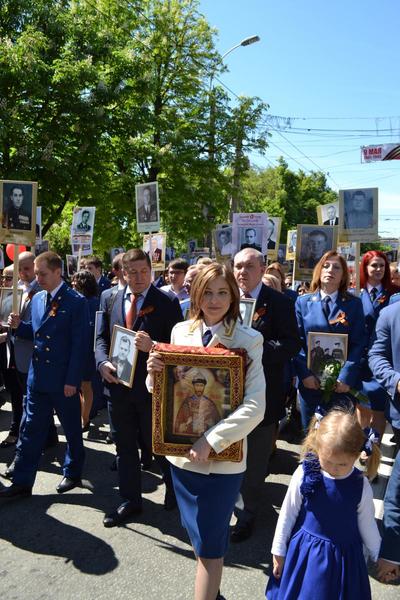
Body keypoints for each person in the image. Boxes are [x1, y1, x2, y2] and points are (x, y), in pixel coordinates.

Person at [147, 262, 266, 600]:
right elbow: (163, 393)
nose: (214, 300)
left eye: (222, 292)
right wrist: (154, 372)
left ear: (233, 296)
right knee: (199, 541)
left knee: (212, 549)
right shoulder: (179, 331)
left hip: (222, 465)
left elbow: (256, 406)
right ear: (195, 293)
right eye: (207, 292)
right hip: (182, 462)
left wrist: (211, 440)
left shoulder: (249, 340)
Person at [95, 249, 183, 527]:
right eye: (131, 272)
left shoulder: (167, 301)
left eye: (143, 271)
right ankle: (130, 500)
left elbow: (180, 347)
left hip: (151, 390)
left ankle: (173, 489)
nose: (138, 277)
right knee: (124, 448)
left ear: (151, 271)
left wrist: (154, 345)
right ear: (122, 272)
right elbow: (99, 338)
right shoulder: (109, 298)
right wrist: (101, 363)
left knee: (159, 445)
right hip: (117, 388)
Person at [0, 251, 89, 499]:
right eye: (36, 273)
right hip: (37, 378)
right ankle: (22, 482)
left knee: (71, 430)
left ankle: (72, 472)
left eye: (42, 273)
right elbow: (38, 333)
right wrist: (19, 326)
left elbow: (79, 345)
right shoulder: (38, 298)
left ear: (58, 272)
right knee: (30, 431)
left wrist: (73, 381)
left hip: (63, 381)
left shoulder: (76, 301)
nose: (38, 278)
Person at [266, 408, 381, 599]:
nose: (334, 469)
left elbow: (367, 524)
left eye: (342, 464)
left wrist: (379, 556)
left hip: (345, 560)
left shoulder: (360, 484)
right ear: (318, 449)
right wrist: (278, 550)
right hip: (306, 555)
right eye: (328, 461)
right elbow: (288, 513)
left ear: (356, 456)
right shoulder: (305, 473)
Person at [231, 248, 301, 542]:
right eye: (237, 266)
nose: (242, 272)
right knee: (230, 455)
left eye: (248, 266)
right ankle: (231, 505)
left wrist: (255, 353)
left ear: (262, 269)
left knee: (256, 460)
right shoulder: (225, 297)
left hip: (262, 394)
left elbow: (290, 344)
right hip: (227, 394)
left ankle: (248, 515)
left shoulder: (279, 303)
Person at [294, 251, 366, 430]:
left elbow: (358, 343)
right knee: (311, 436)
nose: (330, 270)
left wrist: (345, 376)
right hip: (311, 383)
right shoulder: (303, 303)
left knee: (337, 438)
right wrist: (305, 374)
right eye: (326, 266)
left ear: (343, 276)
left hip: (340, 387)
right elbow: (297, 341)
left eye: (336, 267)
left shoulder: (353, 304)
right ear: (318, 271)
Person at [369, 301, 400, 582]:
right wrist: (396, 381)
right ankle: (391, 556)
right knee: (397, 492)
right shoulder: (391, 314)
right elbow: (376, 356)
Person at [356, 251, 395, 443]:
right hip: (360, 359)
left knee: (379, 408)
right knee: (362, 406)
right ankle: (361, 443)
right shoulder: (354, 292)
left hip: (383, 358)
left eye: (382, 265)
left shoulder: (394, 292)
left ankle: (373, 450)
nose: (378, 269)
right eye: (374, 265)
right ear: (365, 267)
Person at [71, 269, 99, 431]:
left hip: (88, 351)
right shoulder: (73, 301)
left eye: (77, 281)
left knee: (85, 385)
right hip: (73, 350)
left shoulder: (95, 302)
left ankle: (85, 417)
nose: (73, 284)